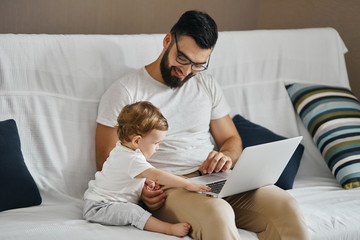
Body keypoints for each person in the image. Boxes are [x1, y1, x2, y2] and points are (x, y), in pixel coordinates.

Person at [95, 10, 310, 240]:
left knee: (287, 206)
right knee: (219, 213)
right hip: (169, 188)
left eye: (198, 64)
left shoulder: (206, 85)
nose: (187, 71)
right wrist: (143, 188)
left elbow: (231, 140)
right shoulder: (126, 91)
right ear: (168, 40)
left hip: (216, 180)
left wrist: (225, 156)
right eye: (182, 59)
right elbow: (106, 159)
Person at [84, 101, 210, 237]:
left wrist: (146, 181)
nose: (157, 147)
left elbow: (129, 176)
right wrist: (188, 184)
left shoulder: (122, 148)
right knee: (132, 211)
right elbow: (157, 175)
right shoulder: (131, 159)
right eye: (156, 143)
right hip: (99, 208)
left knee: (136, 207)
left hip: (98, 202)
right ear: (137, 141)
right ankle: (169, 229)